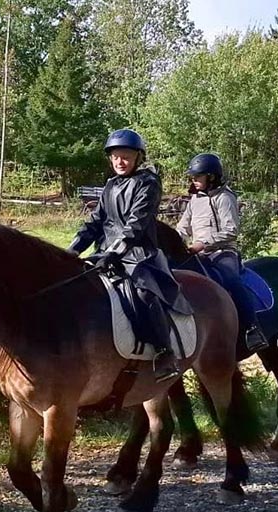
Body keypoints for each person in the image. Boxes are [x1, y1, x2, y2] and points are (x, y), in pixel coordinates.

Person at [68, 128, 186, 382]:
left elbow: (137, 223)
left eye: (126, 156)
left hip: (139, 255)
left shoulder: (148, 183)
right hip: (105, 254)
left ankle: (165, 353)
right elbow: (95, 222)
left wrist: (115, 251)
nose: (120, 162)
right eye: (116, 157)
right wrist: (73, 249)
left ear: (137, 158)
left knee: (144, 292)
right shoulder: (110, 185)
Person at [176, 152, 269, 352]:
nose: (194, 181)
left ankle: (252, 329)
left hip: (223, 253)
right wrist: (176, 241)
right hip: (198, 254)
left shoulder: (225, 198)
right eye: (192, 177)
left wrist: (203, 243)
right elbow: (183, 227)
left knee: (231, 280)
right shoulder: (194, 200)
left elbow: (231, 230)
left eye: (197, 177)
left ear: (211, 177)